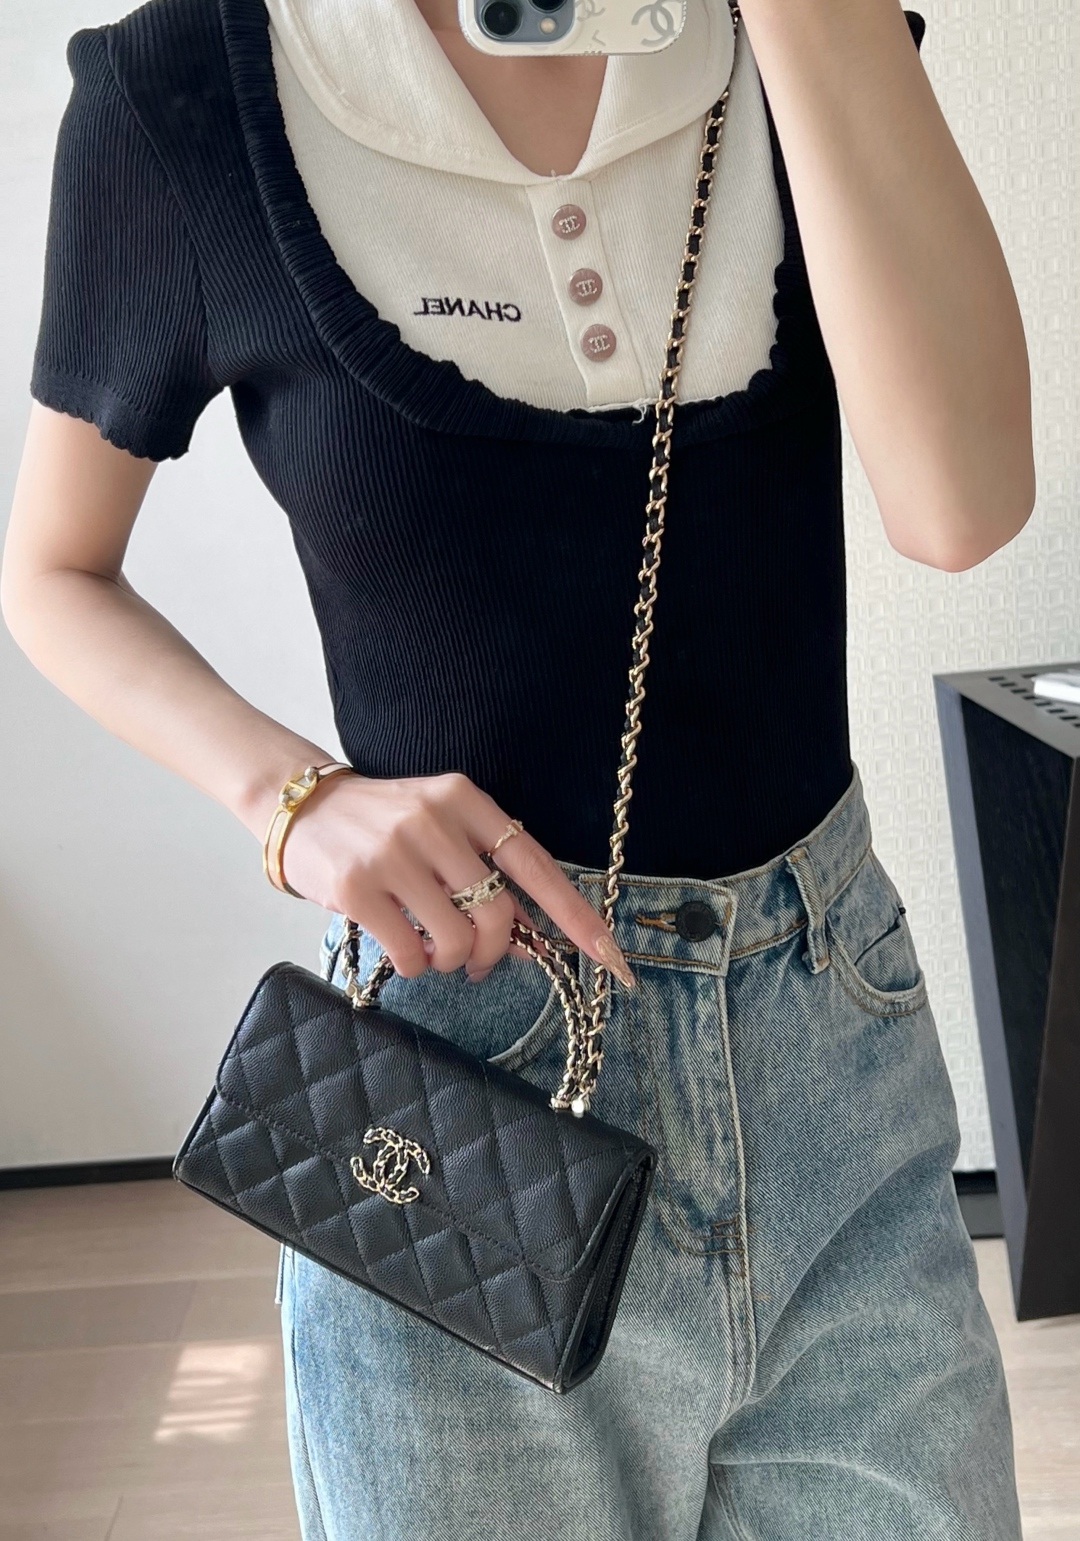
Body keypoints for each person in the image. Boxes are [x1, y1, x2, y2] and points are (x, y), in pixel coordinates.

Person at [2, 0, 1036, 1534]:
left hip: (835, 1044)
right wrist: (293, 799)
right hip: (456, 1072)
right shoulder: (184, 90)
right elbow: (52, 573)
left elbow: (961, 504)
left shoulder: (802, 39)